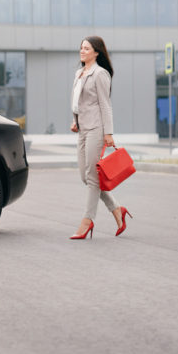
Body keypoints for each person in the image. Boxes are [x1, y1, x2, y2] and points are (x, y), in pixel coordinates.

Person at [69, 36, 132, 239]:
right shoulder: (79, 73)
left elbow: (105, 104)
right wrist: (75, 120)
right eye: (81, 48)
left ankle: (87, 220)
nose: (82, 51)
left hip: (96, 128)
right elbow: (77, 101)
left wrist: (108, 133)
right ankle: (117, 209)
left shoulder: (100, 74)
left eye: (86, 48)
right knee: (85, 176)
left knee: (92, 176)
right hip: (82, 128)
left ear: (96, 52)